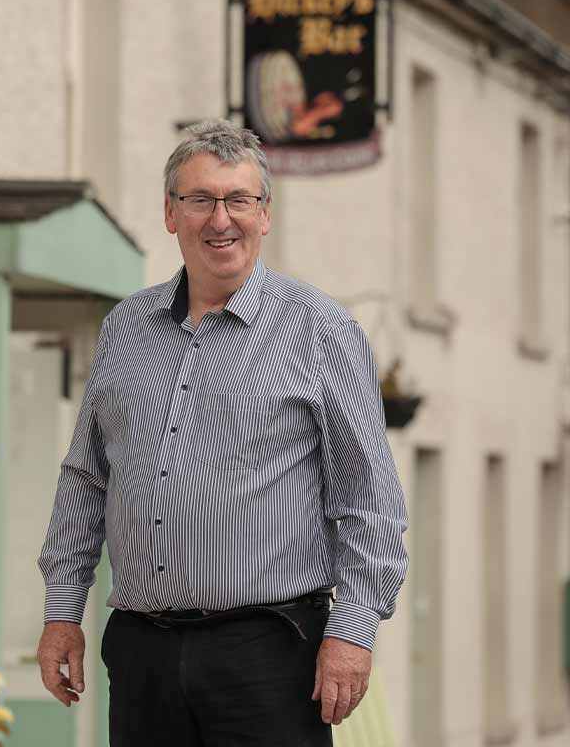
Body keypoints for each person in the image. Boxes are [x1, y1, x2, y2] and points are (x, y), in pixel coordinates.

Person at [36, 120, 408, 746]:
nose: (220, 219)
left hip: (269, 651)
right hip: (141, 648)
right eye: (200, 200)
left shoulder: (321, 331)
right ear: (169, 214)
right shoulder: (126, 328)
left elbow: (369, 495)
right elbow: (87, 477)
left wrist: (352, 631)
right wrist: (61, 612)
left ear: (266, 215)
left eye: (238, 200)